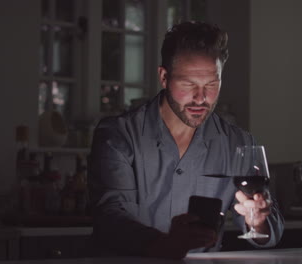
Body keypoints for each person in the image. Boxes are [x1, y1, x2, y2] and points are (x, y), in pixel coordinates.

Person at [88, 21, 284, 259]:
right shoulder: (119, 136)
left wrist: (258, 222)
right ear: (164, 76)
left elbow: (269, 232)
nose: (200, 98)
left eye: (211, 85)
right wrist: (165, 244)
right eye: (188, 84)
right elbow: (109, 218)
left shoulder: (237, 143)